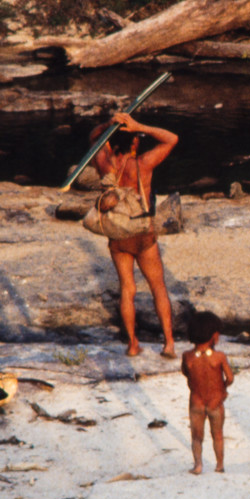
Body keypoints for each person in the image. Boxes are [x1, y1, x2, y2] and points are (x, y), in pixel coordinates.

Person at [92, 111, 180, 357]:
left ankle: (132, 344)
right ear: (133, 141)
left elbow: (93, 137)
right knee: (158, 287)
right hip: (142, 233)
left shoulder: (103, 162)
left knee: (127, 289)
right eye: (136, 138)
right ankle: (169, 343)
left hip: (117, 236)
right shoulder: (141, 165)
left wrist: (109, 124)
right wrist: (139, 125)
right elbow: (172, 139)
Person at [180, 311, 235, 474]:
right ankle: (219, 465)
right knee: (217, 434)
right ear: (214, 335)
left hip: (196, 402)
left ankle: (198, 465)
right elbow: (230, 377)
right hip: (215, 403)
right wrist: (222, 388)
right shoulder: (219, 357)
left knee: (196, 436)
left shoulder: (187, 356)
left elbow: (185, 372)